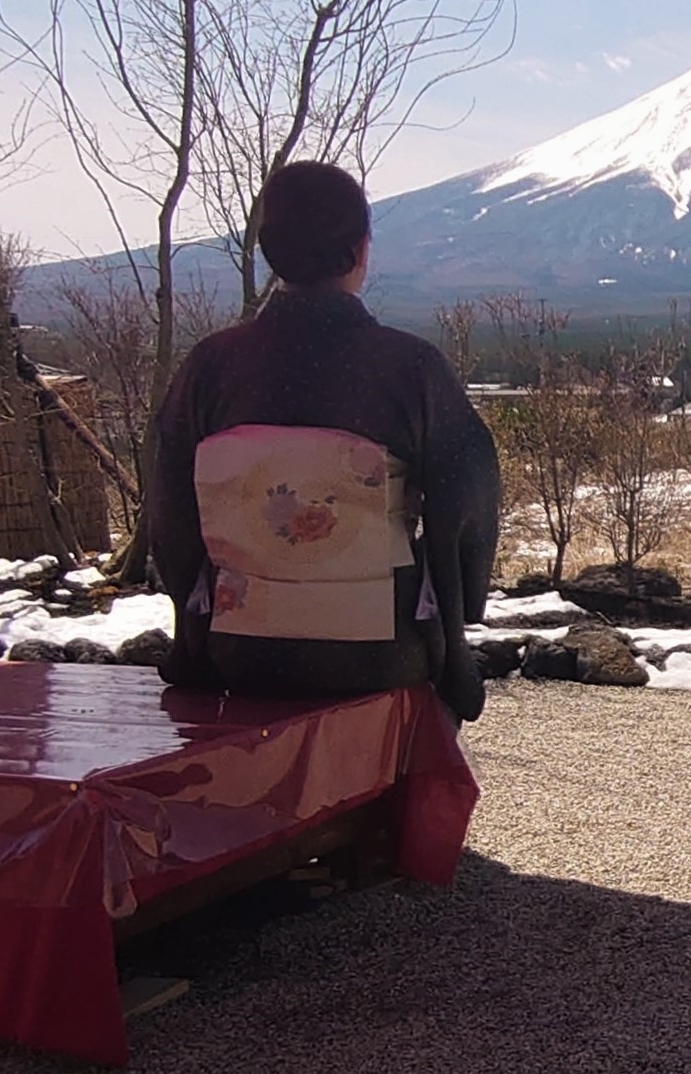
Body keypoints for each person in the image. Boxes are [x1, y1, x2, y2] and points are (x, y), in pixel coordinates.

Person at [145, 161, 494, 722]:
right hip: (380, 649)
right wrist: (454, 642)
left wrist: (194, 632)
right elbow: (465, 514)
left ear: (268, 249)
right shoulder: (410, 368)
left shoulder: (211, 366)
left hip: (240, 647)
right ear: (361, 250)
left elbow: (172, 517)